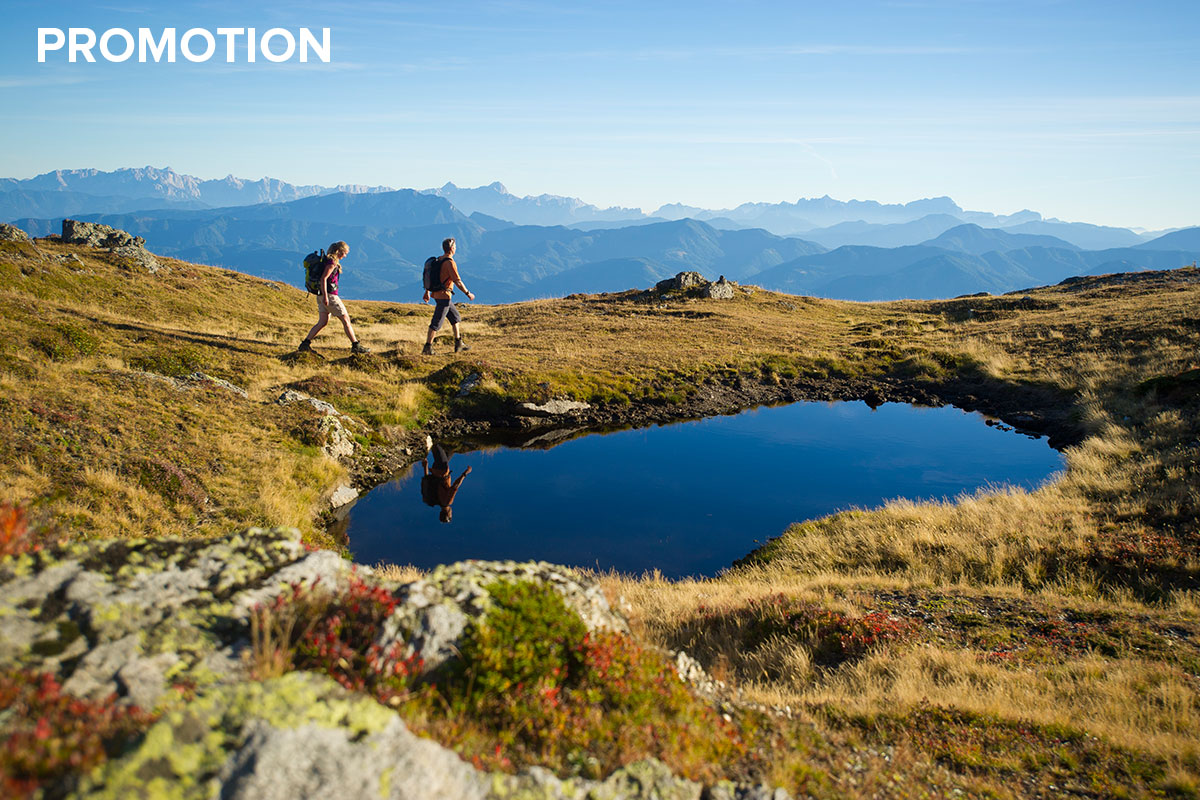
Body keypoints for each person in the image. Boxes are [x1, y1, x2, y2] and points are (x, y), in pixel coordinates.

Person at [298, 240, 370, 354]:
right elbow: (323, 279)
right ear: (339, 251)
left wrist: (323, 296)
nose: (345, 256)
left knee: (322, 322)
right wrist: (326, 297)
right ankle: (356, 346)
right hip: (330, 296)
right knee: (346, 320)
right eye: (345, 253)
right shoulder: (332, 263)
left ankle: (305, 344)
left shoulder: (326, 260)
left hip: (320, 295)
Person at [422, 237, 474, 355]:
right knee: (436, 323)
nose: (456, 249)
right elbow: (457, 281)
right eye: (455, 247)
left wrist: (427, 292)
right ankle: (427, 347)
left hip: (439, 295)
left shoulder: (438, 260)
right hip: (444, 297)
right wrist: (468, 293)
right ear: (452, 249)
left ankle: (458, 343)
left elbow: (431, 277)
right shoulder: (450, 263)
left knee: (455, 317)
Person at [420, 443, 472, 523]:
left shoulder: (447, 501)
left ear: (448, 513)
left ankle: (426, 438)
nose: (452, 513)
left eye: (450, 514)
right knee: (451, 449)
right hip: (436, 470)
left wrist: (465, 473)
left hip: (442, 469)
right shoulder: (433, 501)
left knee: (436, 445)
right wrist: (425, 467)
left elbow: (455, 486)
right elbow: (427, 482)